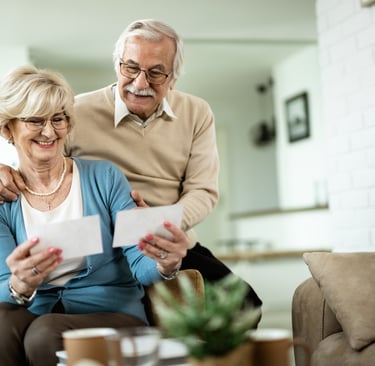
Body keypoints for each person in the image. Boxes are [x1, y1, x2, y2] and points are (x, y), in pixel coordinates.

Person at [0, 19, 262, 308]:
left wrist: (152, 224)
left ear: (173, 78)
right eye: (131, 68)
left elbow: (203, 192)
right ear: (117, 65)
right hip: (102, 250)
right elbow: (39, 157)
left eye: (156, 73)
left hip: (164, 239)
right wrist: (3, 170)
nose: (140, 83)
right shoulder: (78, 111)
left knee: (245, 305)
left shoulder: (196, 112)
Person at [0, 66, 190, 366]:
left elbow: (140, 263)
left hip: (115, 315)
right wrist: (20, 285)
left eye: (58, 119)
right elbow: (4, 288)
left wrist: (165, 263)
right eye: (35, 120)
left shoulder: (105, 176)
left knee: (44, 332)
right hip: (37, 314)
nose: (49, 132)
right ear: (8, 129)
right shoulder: (3, 198)